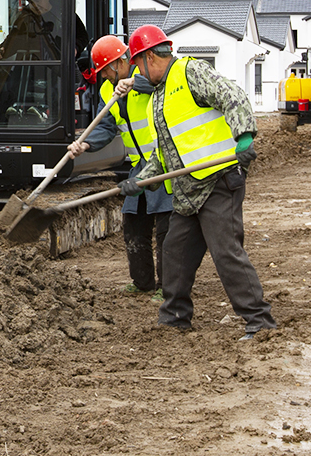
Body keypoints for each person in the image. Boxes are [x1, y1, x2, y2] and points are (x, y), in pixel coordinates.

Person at [118, 24, 277, 341]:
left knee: (226, 252)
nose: (136, 71)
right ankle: (174, 317)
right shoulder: (156, 99)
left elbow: (232, 96)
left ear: (150, 57)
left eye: (137, 63)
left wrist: (244, 136)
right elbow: (164, 154)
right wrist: (142, 179)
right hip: (188, 190)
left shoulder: (190, 72)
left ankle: (259, 321)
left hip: (218, 180)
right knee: (174, 252)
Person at [68, 35, 168, 295]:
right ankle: (142, 281)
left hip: (164, 164)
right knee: (134, 225)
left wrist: (135, 82)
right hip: (138, 166)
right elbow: (104, 126)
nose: (104, 77)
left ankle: (168, 287)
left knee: (167, 231)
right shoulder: (107, 90)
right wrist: (85, 144)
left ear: (121, 62)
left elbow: (160, 83)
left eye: (106, 70)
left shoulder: (144, 73)